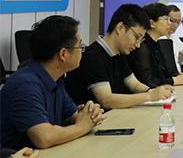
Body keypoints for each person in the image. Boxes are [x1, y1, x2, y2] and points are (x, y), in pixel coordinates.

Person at [0, 16, 105, 150]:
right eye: (80, 46)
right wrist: (81, 127)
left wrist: (89, 114)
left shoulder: (55, 78)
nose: (82, 51)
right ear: (63, 54)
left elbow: (71, 116)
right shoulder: (25, 85)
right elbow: (44, 138)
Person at [65, 4, 174, 110]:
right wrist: (149, 96)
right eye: (136, 37)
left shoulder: (119, 54)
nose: (138, 45)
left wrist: (153, 91)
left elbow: (135, 85)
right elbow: (106, 100)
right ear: (120, 28)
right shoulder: (93, 56)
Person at [126, 3, 183, 87]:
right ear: (152, 23)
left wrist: (176, 76)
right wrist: (175, 80)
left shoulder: (155, 43)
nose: (169, 24)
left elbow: (164, 72)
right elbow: (148, 81)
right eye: (166, 19)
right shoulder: (141, 46)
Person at [159, 4, 183, 73]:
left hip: (178, 74)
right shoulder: (159, 38)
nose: (176, 25)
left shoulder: (174, 37)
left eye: (178, 22)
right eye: (173, 21)